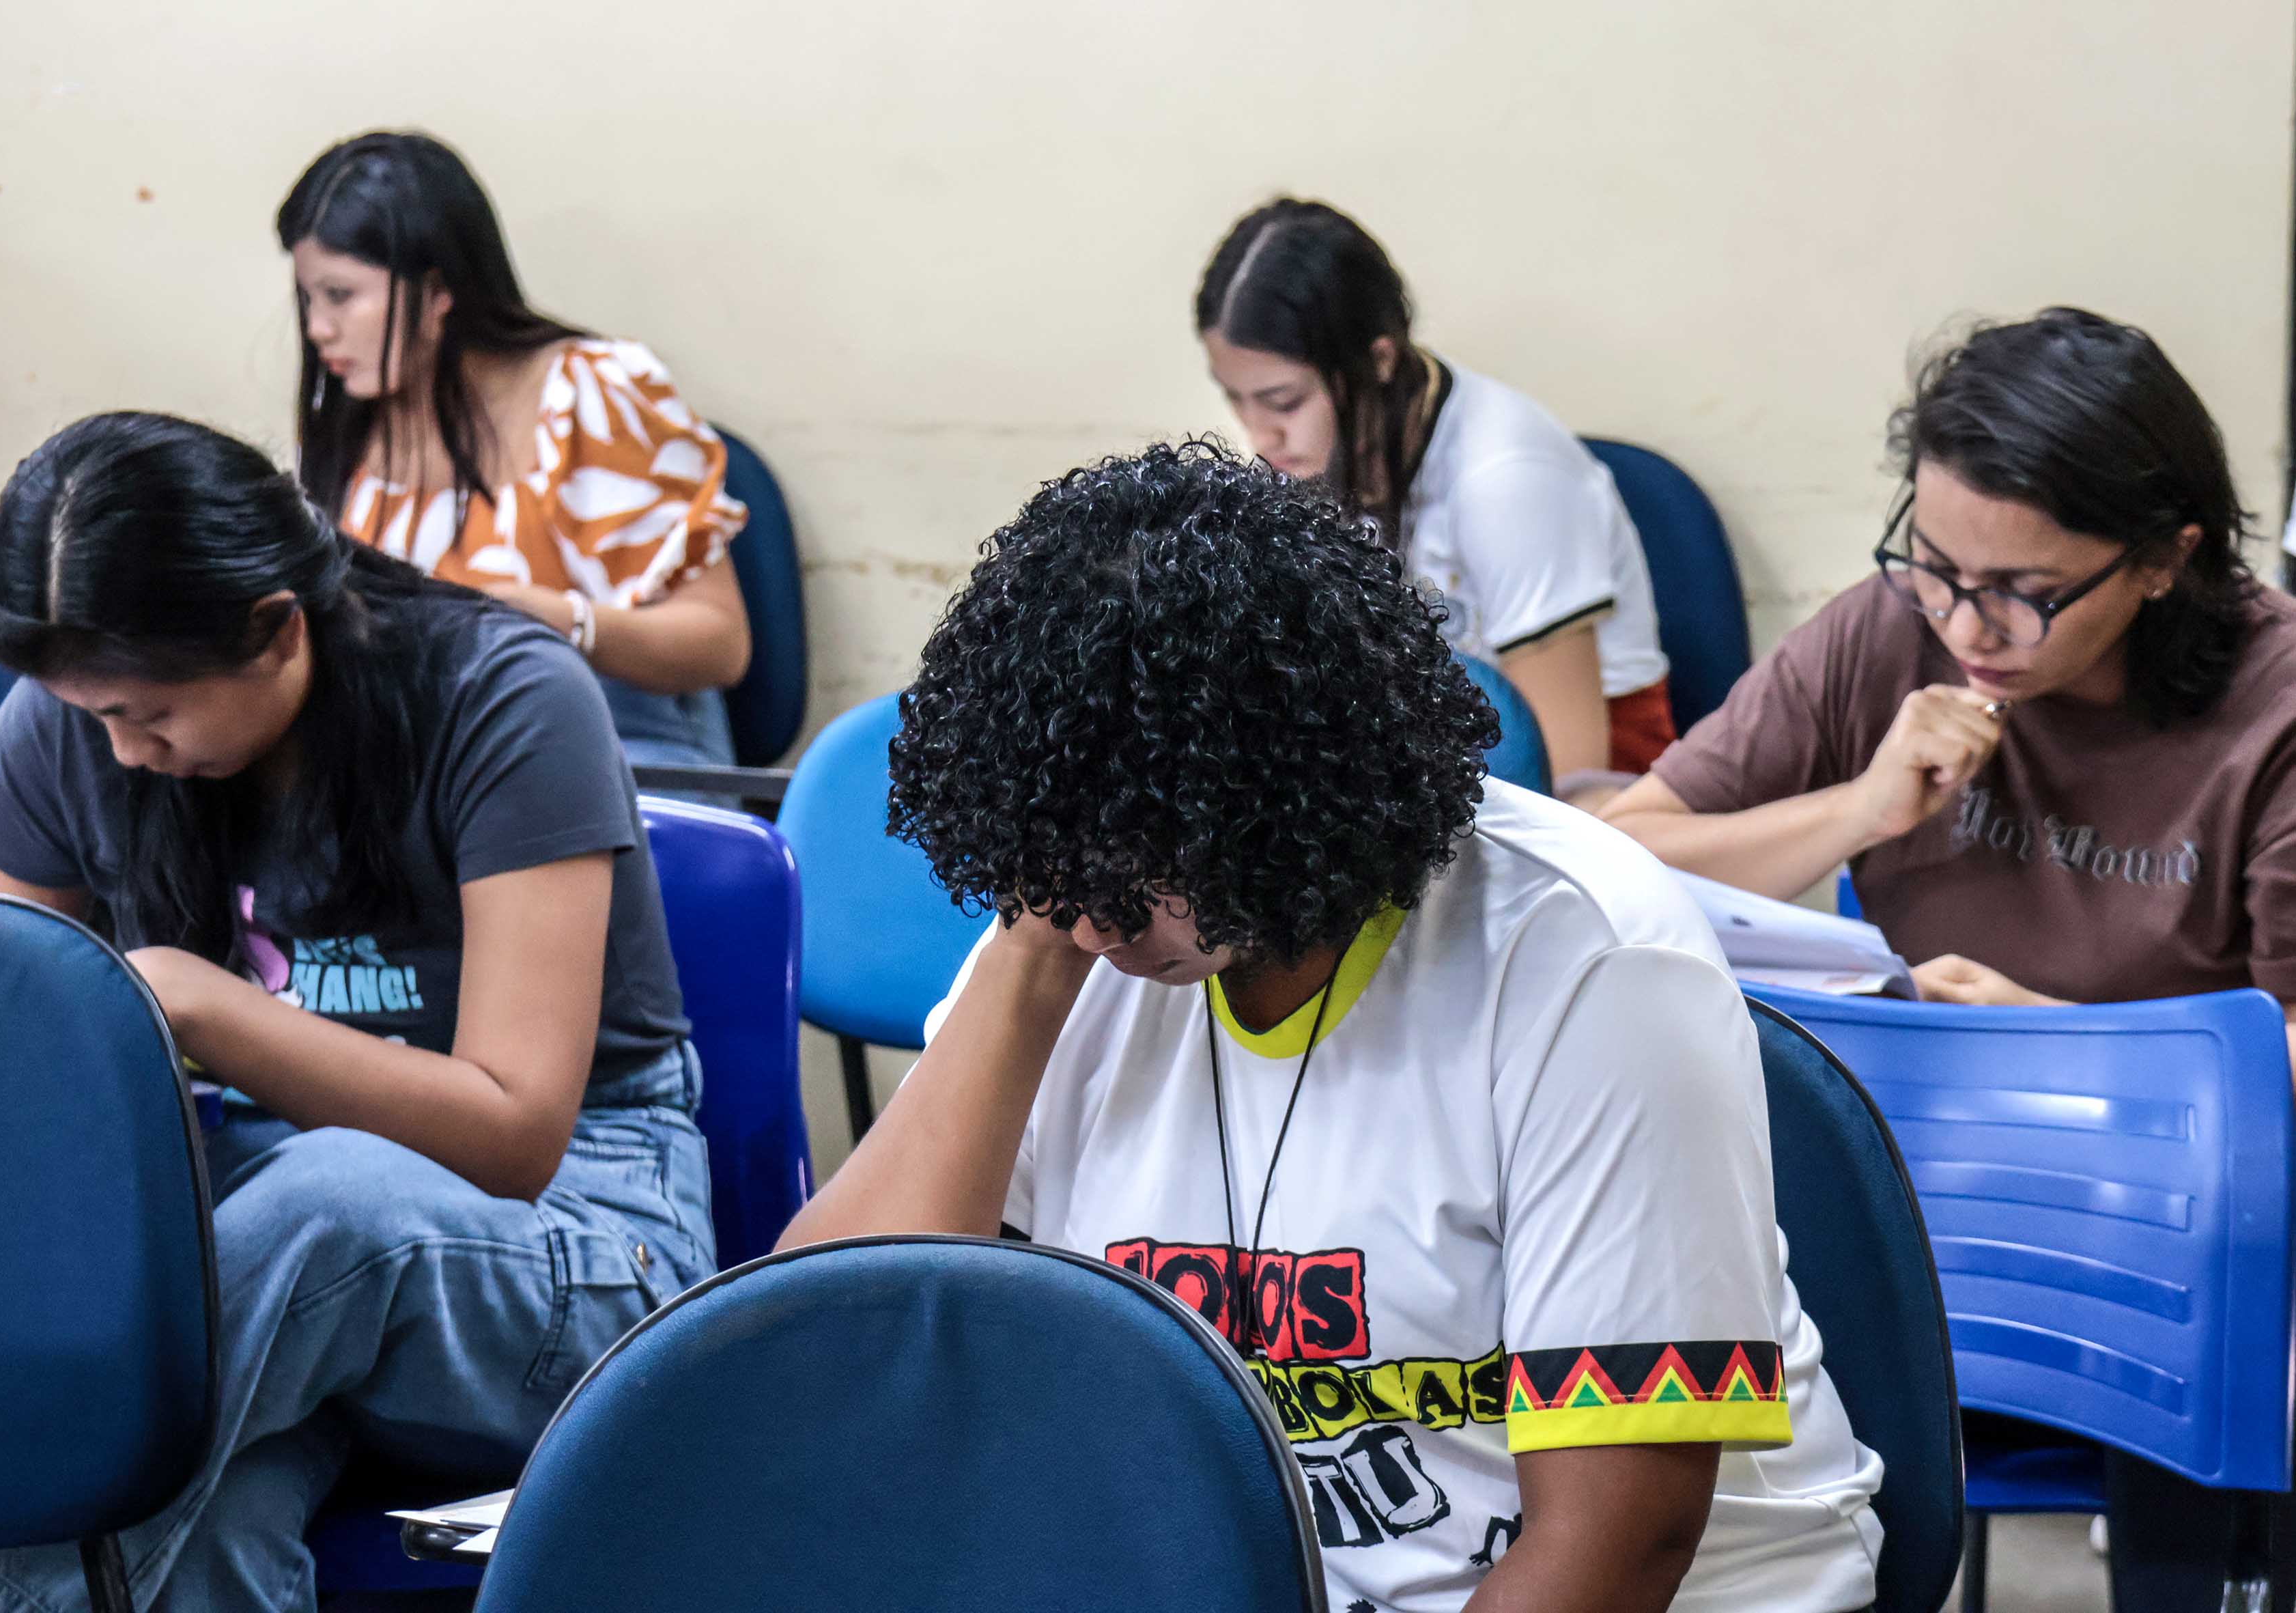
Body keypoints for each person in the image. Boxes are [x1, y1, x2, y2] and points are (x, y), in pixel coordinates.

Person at [780, 440, 1882, 1613]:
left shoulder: (1585, 962)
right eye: (1057, 860)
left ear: (1277, 790)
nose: (1095, 921)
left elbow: (1624, 1546)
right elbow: (830, 1355)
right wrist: (1022, 965)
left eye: (1134, 860)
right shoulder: (1074, 931)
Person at [0, 414, 715, 1613]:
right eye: (91, 711)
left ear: (277, 628)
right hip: (255, 1271)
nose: (120, 751)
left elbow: (513, 1134)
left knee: (332, 1204)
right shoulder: (77, 722)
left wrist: (191, 1003)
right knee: (201, 1509)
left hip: (579, 1230)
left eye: (150, 713)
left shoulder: (506, 698)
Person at [1601, 307, 2296, 1610]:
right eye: (1932, 564)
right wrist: (1857, 810)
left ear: (2161, 560)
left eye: (2025, 592)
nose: (1967, 623)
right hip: (1916, 1188)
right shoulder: (1887, 634)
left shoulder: (2272, 702)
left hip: (2167, 1214)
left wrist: (2058, 1039)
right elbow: (1620, 847)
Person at [278, 130, 751, 775]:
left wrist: (556, 623)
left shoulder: (594, 390)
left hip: (612, 756)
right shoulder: (342, 425)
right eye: (307, 297)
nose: (317, 328)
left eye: (340, 295)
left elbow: (719, 648)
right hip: (424, 769)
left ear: (438, 290)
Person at [1196, 197, 1673, 785]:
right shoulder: (1316, 450)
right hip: (1427, 762)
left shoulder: (1504, 479)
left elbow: (1572, 776)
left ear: (1378, 361)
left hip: (1594, 788)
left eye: (1282, 401)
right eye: (1234, 398)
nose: (1257, 433)